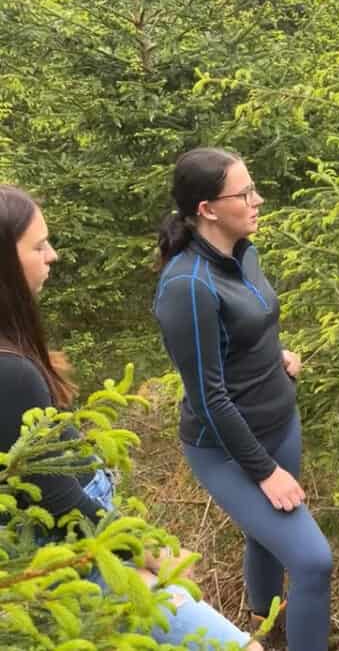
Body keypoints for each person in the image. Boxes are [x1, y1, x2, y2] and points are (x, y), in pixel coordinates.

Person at [0, 184, 261, 649]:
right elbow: (54, 501)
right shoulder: (10, 370)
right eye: (38, 246)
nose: (52, 256)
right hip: (71, 556)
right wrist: (148, 552)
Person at [153, 148, 332, 650]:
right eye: (245, 192)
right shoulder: (186, 285)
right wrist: (264, 472)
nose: (257, 200)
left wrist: (277, 354)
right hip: (227, 448)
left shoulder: (243, 252)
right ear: (208, 208)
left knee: (266, 540)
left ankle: (266, 628)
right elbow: (207, 396)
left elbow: (249, 324)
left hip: (280, 421)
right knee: (313, 561)